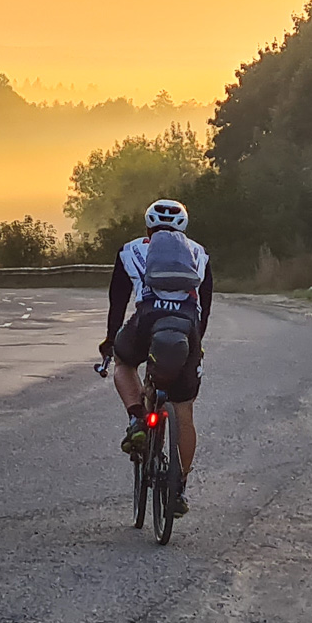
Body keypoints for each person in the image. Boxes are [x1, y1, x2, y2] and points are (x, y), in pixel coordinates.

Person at [99, 199, 213, 516]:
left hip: (147, 320)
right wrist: (196, 343)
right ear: (184, 228)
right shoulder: (199, 253)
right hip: (185, 327)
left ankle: (138, 417)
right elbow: (204, 306)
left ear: (148, 226)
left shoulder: (130, 250)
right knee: (184, 409)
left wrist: (111, 340)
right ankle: (178, 489)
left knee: (124, 363)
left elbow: (117, 302)